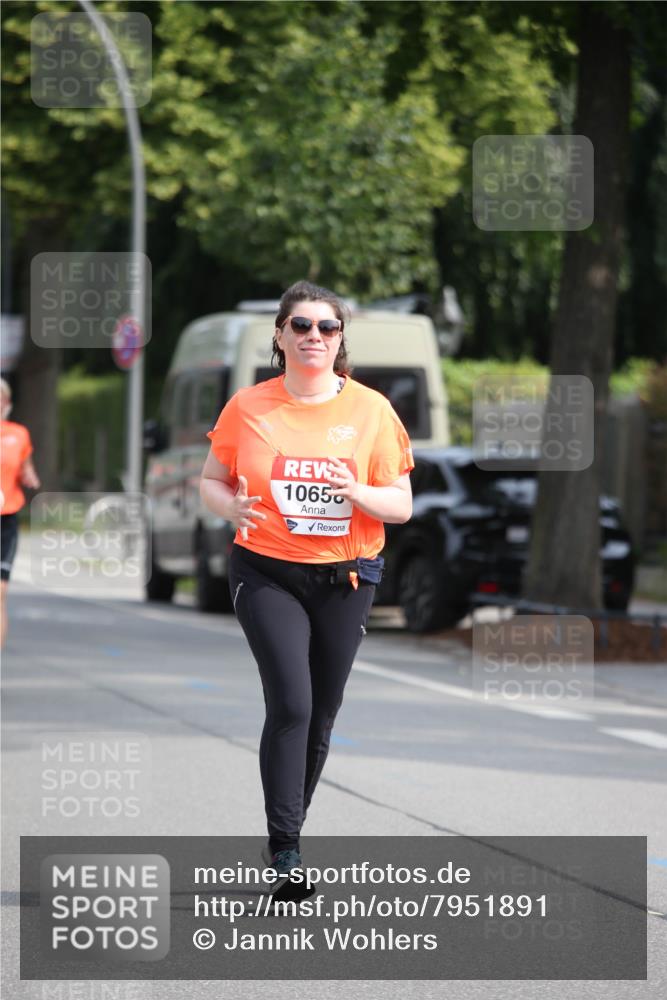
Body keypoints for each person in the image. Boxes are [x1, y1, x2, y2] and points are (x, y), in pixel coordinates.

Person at [200, 280, 413, 885]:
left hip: (347, 575)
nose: (313, 336)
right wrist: (229, 510)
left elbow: (399, 505)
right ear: (280, 335)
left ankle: (285, 831)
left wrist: (355, 492)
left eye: (326, 328)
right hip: (266, 569)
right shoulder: (249, 406)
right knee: (291, 702)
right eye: (301, 326)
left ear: (340, 339)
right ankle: (287, 847)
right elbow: (211, 480)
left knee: (321, 716)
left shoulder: (371, 410)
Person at [1, 378, 41, 648]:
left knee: (0, 591)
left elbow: (28, 470)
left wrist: (30, 478)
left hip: (6, 519)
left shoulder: (18, 435)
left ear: (7, 404)